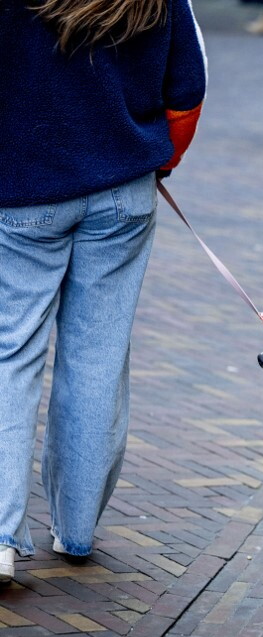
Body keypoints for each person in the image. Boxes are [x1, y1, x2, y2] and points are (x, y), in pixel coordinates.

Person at [0, 0, 206, 584]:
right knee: (98, 355)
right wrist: (159, 162)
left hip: (22, 189)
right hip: (123, 189)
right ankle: (77, 528)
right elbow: (188, 89)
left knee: (10, 355)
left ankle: (1, 536)